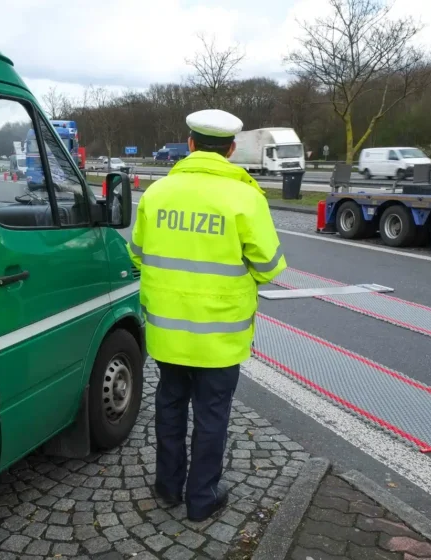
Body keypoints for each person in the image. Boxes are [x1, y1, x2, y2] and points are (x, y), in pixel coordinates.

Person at [126, 109, 287, 522]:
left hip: (167, 332)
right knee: (212, 415)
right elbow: (268, 267)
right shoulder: (246, 197)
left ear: (190, 143)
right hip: (219, 336)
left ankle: (166, 486)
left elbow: (139, 256)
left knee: (170, 405)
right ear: (231, 149)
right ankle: (202, 498)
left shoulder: (157, 193)